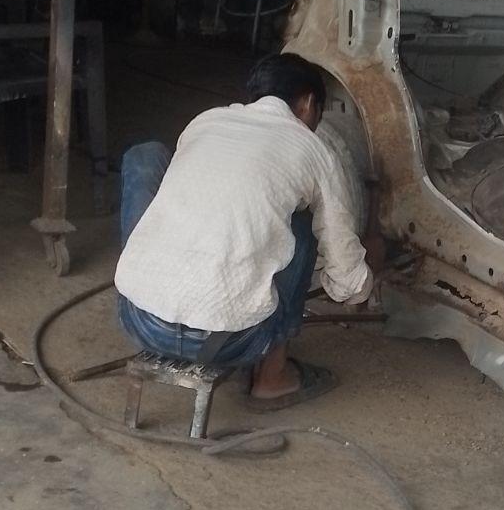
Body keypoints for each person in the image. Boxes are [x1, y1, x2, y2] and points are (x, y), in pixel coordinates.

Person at [114, 53, 380, 409]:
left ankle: (149, 281)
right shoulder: (313, 149)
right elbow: (345, 270)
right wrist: (362, 285)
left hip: (138, 319)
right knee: (301, 226)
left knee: (147, 157)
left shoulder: (205, 122)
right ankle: (272, 377)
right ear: (307, 103)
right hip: (223, 343)